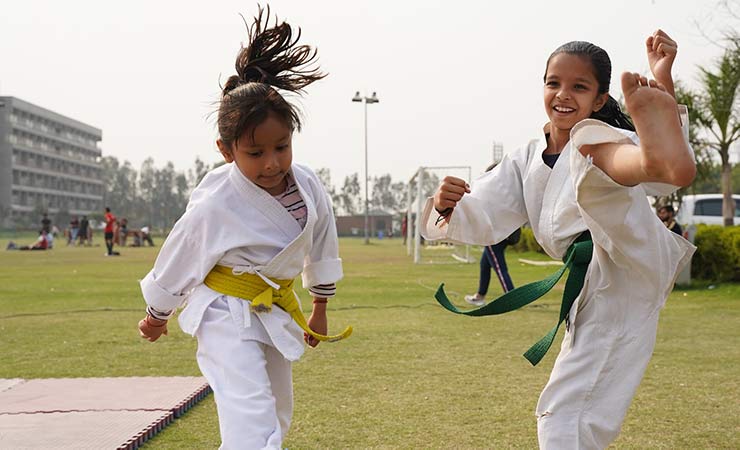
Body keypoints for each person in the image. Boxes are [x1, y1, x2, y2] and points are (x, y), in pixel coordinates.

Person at [424, 30, 696, 448]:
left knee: (563, 418)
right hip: (592, 291)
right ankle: (658, 152)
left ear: (600, 100)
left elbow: (641, 175)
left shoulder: (594, 137)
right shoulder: (527, 158)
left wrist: (659, 98)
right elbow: (482, 210)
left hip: (622, 279)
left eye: (579, 86)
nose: (563, 94)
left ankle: (656, 152)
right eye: (554, 83)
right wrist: (448, 205)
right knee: (577, 422)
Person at [137, 8, 350, 449]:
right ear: (226, 150)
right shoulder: (217, 199)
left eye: (282, 147)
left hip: (272, 308)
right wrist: (158, 314)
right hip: (223, 313)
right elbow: (183, 252)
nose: (272, 163)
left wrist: (320, 306)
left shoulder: (307, 183)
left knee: (277, 411)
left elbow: (322, 242)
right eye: (255, 152)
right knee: (251, 419)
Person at [464, 228, 520, 306]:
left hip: (495, 237)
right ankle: (480, 296)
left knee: (500, 269)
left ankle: (512, 298)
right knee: (484, 266)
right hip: (499, 236)